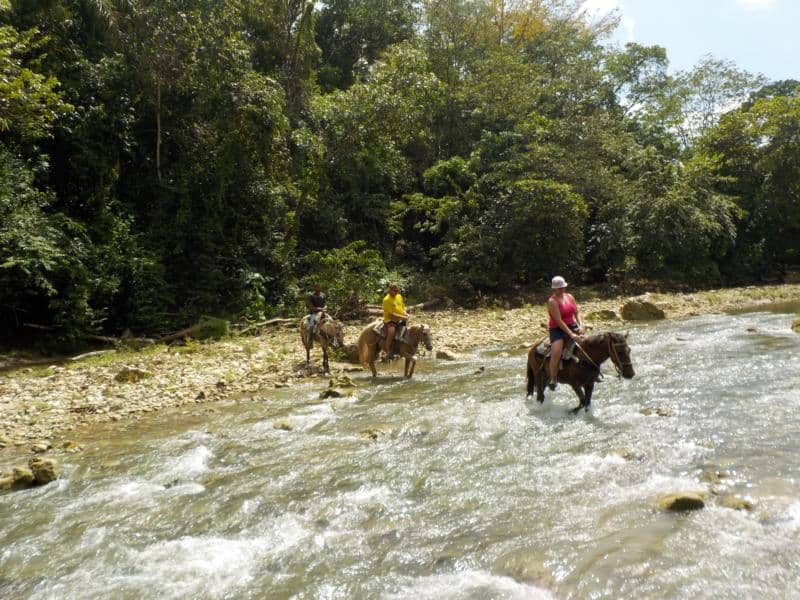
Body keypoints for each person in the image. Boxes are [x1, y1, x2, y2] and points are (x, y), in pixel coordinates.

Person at [546, 275, 584, 390]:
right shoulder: (552, 301)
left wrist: (581, 325)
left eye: (563, 287)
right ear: (555, 289)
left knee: (587, 344)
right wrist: (571, 334)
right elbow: (558, 320)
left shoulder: (570, 296)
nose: (562, 289)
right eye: (560, 288)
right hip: (557, 329)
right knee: (557, 351)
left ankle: (591, 371)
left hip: (572, 325)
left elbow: (577, 312)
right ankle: (553, 378)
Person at [382, 282, 409, 357]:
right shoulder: (386, 300)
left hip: (400, 318)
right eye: (395, 291)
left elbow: (403, 307)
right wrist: (402, 316)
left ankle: (405, 347)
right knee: (392, 331)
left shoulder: (399, 296)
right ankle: (386, 350)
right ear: (390, 290)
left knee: (408, 330)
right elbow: (391, 313)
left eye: (397, 290)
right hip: (390, 319)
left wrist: (405, 313)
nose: (397, 292)